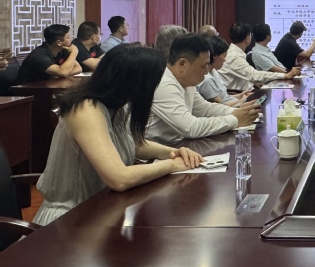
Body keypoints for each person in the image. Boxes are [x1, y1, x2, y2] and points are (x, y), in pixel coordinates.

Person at [32, 44, 204, 225]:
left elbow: (130, 143)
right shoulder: (86, 109)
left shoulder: (116, 104)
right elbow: (119, 179)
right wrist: (171, 165)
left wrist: (172, 153)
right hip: (69, 220)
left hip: (101, 212)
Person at [146, 34, 261, 144]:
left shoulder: (186, 82)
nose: (206, 72)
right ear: (182, 64)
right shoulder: (164, 83)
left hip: (179, 145)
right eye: (203, 66)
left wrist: (237, 112)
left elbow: (205, 109)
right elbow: (190, 127)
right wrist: (234, 119)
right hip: (160, 152)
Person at [219, 22, 300, 90]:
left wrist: (252, 82)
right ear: (247, 38)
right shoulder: (235, 57)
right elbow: (255, 75)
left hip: (245, 89)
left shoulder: (234, 52)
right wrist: (285, 75)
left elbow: (242, 74)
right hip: (237, 94)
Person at [197, 36, 252, 107]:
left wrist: (240, 96)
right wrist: (242, 100)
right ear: (215, 56)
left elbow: (225, 98)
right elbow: (221, 107)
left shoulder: (214, 71)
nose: (225, 60)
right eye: (224, 56)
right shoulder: (207, 80)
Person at [17, 24, 82, 83]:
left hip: (47, 86)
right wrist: (74, 52)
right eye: (68, 37)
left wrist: (59, 75)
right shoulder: (39, 55)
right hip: (28, 89)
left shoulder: (63, 50)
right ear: (59, 42)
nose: (71, 39)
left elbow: (78, 68)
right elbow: (62, 72)